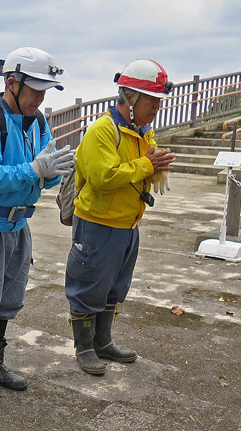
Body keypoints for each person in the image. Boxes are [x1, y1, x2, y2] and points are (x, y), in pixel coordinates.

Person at [0, 47, 75, 405]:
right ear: (12, 83)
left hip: (19, 224)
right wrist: (35, 170)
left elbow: (42, 180)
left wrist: (52, 173)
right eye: (35, 91)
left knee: (9, 296)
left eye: (44, 93)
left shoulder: (37, 122)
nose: (39, 99)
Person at [65, 58, 176, 376]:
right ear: (130, 98)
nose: (156, 107)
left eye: (158, 101)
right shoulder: (104, 129)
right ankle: (84, 347)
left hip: (127, 224)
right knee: (88, 284)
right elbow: (102, 176)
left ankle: (102, 341)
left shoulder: (141, 132)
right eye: (151, 100)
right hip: (98, 223)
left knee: (114, 286)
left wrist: (159, 160)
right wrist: (148, 165)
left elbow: (147, 160)